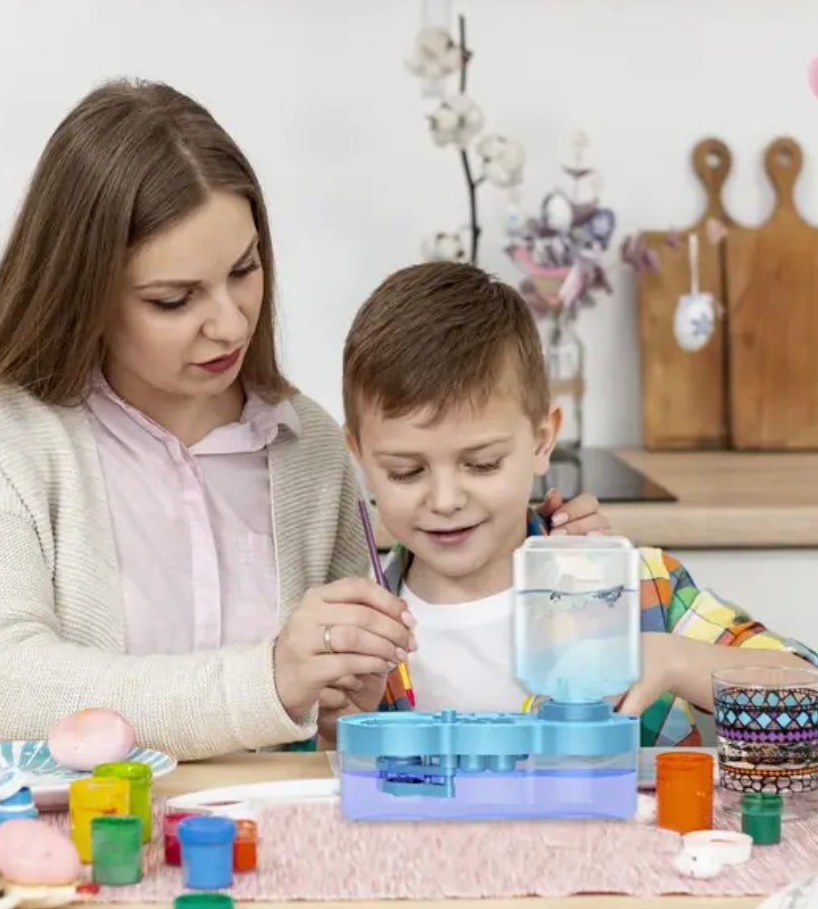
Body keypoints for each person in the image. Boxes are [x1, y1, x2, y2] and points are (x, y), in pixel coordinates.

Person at [0, 79, 609, 761]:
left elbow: (369, 691)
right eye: (173, 299)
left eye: (244, 270)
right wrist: (269, 683)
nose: (228, 324)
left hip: (250, 857)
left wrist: (542, 551)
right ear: (83, 293)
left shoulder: (307, 444)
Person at [335, 260, 818, 747]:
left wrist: (672, 659)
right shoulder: (355, 629)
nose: (444, 501)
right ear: (360, 458)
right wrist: (334, 729)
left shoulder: (639, 590)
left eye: (482, 464)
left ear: (543, 441)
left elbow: (808, 694)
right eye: (406, 471)